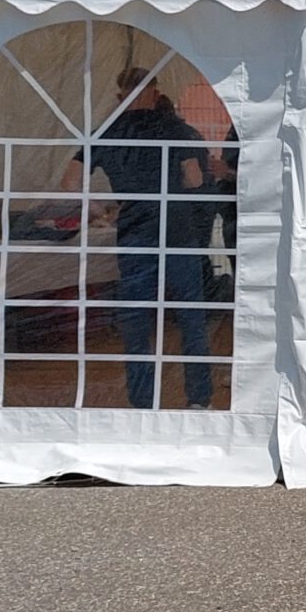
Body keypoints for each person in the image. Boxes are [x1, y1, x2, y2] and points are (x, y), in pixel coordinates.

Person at [82, 66, 217, 409]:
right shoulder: (174, 128)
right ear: (155, 93)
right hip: (178, 231)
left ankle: (142, 401)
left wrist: (102, 210)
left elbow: (70, 182)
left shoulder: (106, 132)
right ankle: (199, 399)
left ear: (119, 96)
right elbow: (194, 179)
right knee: (191, 318)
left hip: (134, 234)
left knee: (136, 321)